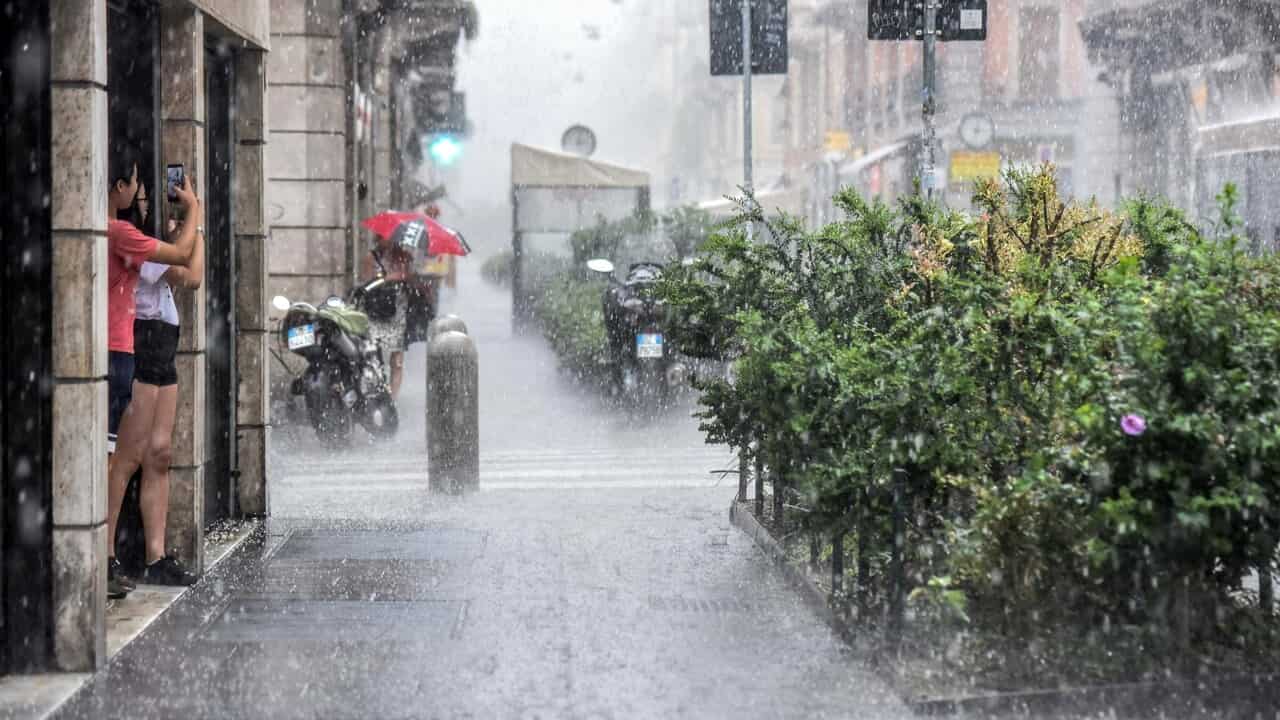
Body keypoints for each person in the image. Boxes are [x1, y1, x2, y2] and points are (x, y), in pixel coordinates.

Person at [105, 153, 202, 599]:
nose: (145, 202)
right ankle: (107, 553)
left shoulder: (140, 240)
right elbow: (192, 272)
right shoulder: (129, 242)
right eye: (141, 194)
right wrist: (194, 214)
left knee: (160, 453)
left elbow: (186, 268)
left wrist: (187, 224)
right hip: (140, 347)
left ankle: (156, 556)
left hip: (163, 349)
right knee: (126, 456)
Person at [360, 232, 414, 398]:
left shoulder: (403, 257)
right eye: (386, 237)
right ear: (378, 238)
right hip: (376, 309)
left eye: (393, 238)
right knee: (373, 355)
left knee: (397, 361)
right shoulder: (371, 257)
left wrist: (404, 271)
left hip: (397, 311)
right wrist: (387, 278)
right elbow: (366, 284)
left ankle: (392, 399)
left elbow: (409, 279)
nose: (390, 241)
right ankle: (377, 391)